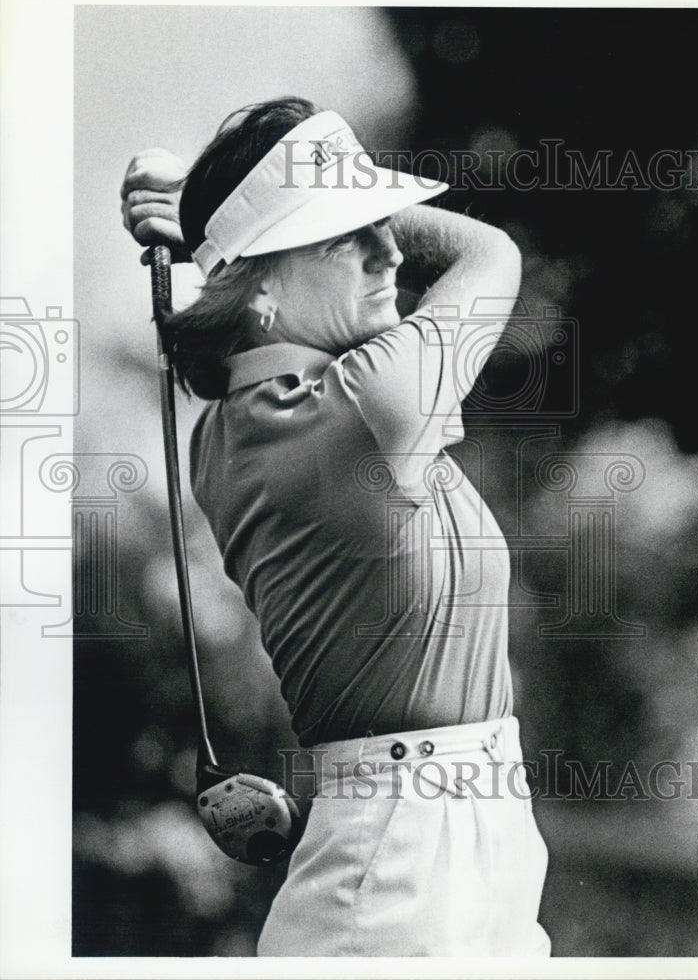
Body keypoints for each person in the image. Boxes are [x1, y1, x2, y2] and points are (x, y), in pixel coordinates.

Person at [121, 96, 550, 957]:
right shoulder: (365, 402)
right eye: (345, 232)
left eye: (381, 224)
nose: (390, 248)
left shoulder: (236, 423)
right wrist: (211, 225)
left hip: (467, 838)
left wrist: (215, 225)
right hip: (401, 861)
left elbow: (235, 321)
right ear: (266, 288)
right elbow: (488, 250)